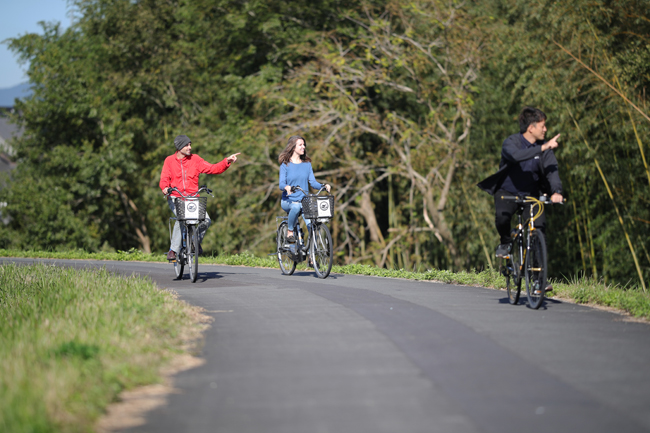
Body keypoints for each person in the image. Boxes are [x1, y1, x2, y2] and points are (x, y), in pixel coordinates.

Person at [478, 107, 564, 260]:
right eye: (542, 126)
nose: (546, 129)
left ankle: (538, 279)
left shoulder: (545, 148)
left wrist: (556, 192)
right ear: (531, 128)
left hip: (531, 195)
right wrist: (542, 147)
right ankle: (505, 241)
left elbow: (552, 171)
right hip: (507, 192)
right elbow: (516, 156)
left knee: (539, 230)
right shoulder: (511, 143)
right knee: (502, 218)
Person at [160, 134, 240, 261]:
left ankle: (194, 242)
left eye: (190, 144)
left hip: (192, 199)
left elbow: (212, 168)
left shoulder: (195, 159)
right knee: (182, 217)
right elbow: (164, 178)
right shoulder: (169, 161)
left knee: (206, 220)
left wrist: (227, 161)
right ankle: (173, 250)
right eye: (187, 145)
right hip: (176, 197)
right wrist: (165, 188)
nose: (190, 147)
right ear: (180, 147)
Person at [278, 135, 330, 244]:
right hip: (289, 201)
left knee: (312, 226)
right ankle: (290, 231)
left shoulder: (307, 164)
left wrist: (323, 186)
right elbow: (281, 184)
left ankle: (312, 256)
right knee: (296, 207)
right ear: (293, 147)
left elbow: (313, 183)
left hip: (304, 201)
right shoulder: (285, 164)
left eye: (304, 144)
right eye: (300, 145)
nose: (303, 147)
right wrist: (287, 187)